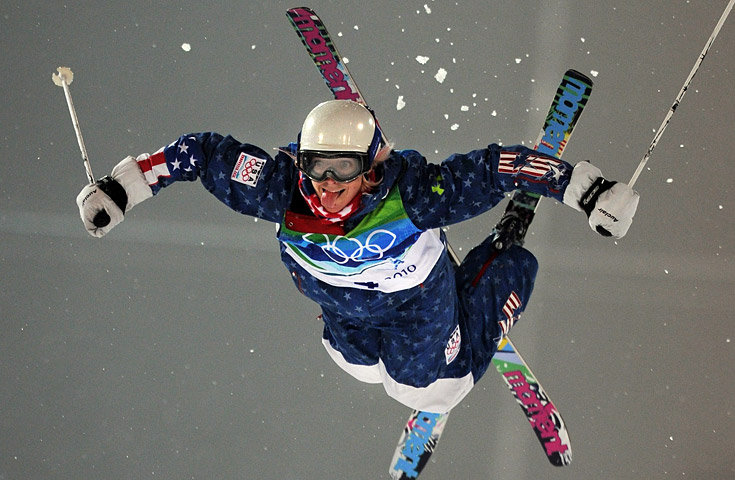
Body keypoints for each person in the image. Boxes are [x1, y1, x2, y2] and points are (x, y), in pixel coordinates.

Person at [76, 100, 639, 414]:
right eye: (316, 165)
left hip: (416, 309)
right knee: (358, 367)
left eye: (342, 168)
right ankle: (428, 357)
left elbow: (501, 167)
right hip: (344, 313)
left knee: (427, 388)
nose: (326, 183)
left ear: (369, 166)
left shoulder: (415, 194)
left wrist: (587, 191)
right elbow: (198, 155)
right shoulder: (280, 189)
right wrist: (122, 189)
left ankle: (503, 262)